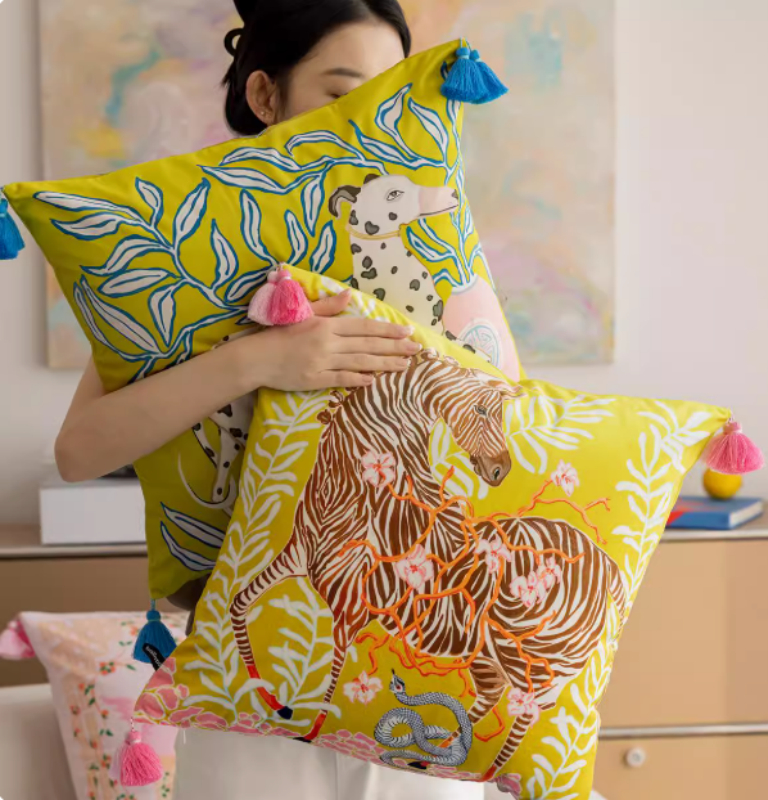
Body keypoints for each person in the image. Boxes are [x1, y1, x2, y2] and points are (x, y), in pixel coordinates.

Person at [56, 1, 487, 798]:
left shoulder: (423, 241)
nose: (368, 120)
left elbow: (498, 423)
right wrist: (261, 360)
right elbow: (79, 452)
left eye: (386, 96)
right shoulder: (192, 254)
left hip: (417, 658)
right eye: (342, 93)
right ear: (265, 94)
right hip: (251, 673)